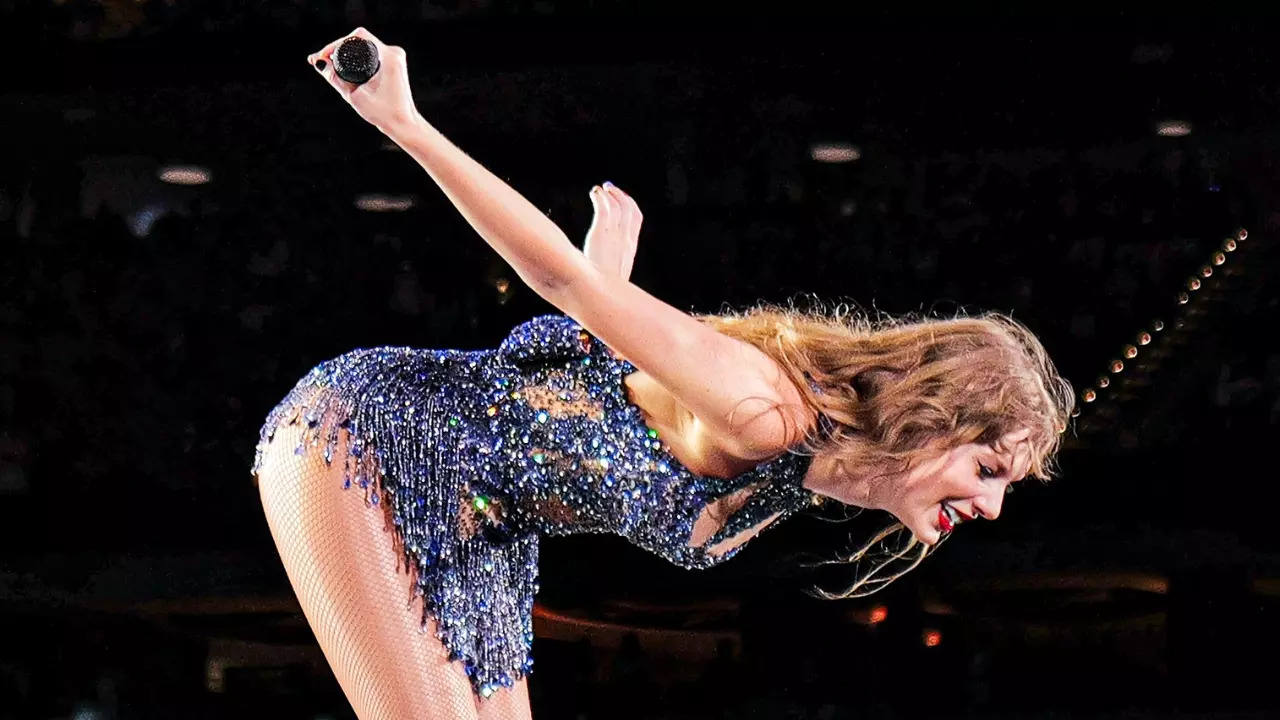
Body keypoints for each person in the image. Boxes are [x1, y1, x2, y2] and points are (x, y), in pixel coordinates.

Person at [252, 28, 1074, 720]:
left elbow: (587, 402)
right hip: (375, 434)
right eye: (989, 466)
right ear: (930, 418)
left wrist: (604, 296)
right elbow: (562, 283)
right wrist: (406, 123)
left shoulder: (819, 466)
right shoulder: (769, 414)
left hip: (485, 514)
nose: (993, 504)